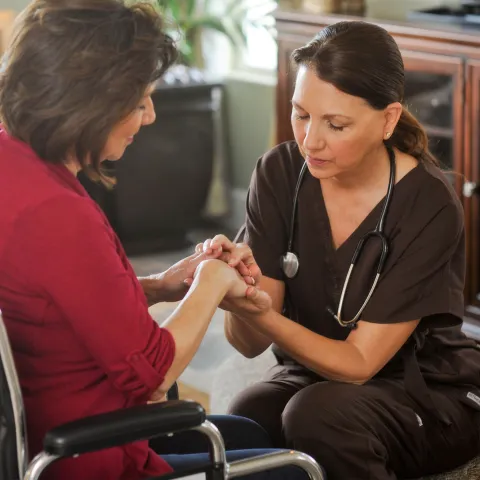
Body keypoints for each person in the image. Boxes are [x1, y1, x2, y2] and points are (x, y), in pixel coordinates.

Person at [0, 1, 316, 480]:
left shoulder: (14, 162)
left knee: (250, 434)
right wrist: (209, 282)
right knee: (297, 470)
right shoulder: (56, 215)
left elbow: (61, 301)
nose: (149, 116)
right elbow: (151, 374)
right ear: (93, 101)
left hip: (65, 426)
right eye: (140, 100)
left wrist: (161, 286)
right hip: (90, 455)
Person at [197, 21, 480, 480]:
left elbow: (359, 364)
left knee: (317, 416)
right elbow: (247, 345)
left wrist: (266, 314)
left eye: (336, 124)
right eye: (301, 113)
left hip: (430, 391)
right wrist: (239, 291)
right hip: (319, 375)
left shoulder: (428, 203)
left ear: (388, 120)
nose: (311, 140)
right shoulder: (279, 173)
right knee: (248, 418)